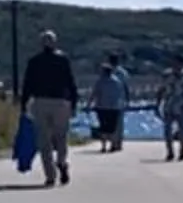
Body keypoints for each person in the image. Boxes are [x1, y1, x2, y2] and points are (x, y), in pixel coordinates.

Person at [18, 31, 79, 185]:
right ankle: (62, 161)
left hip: (41, 101)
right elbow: (71, 82)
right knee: (61, 137)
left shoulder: (34, 61)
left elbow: (27, 85)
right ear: (54, 43)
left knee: (43, 140)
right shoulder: (63, 60)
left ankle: (50, 175)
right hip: (61, 101)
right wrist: (74, 102)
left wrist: (24, 104)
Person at [157, 58, 183, 161]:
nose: (177, 66)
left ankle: (182, 152)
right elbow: (161, 89)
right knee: (167, 130)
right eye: (175, 64)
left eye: (179, 64)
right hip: (169, 106)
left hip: (182, 106)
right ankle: (170, 152)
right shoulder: (167, 75)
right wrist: (158, 103)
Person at [90, 54, 130, 151]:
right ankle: (116, 143)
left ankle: (112, 143)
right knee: (117, 124)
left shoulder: (103, 75)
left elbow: (96, 91)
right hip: (117, 102)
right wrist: (127, 99)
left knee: (106, 125)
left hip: (106, 103)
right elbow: (125, 87)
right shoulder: (122, 73)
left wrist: (91, 102)